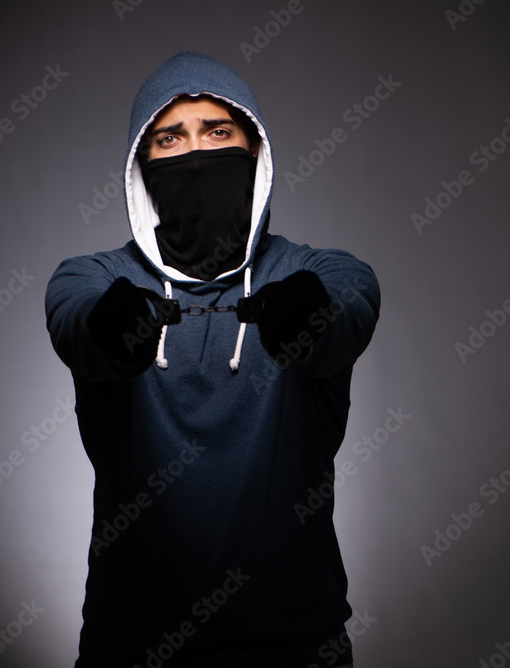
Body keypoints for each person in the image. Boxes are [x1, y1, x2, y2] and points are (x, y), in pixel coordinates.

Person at [45, 50, 379, 668]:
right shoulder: (91, 279)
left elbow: (351, 311)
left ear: (256, 151)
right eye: (171, 139)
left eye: (218, 133)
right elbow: (75, 325)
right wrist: (112, 332)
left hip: (295, 644)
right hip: (131, 644)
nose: (196, 155)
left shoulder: (322, 272)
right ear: (140, 168)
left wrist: (312, 321)